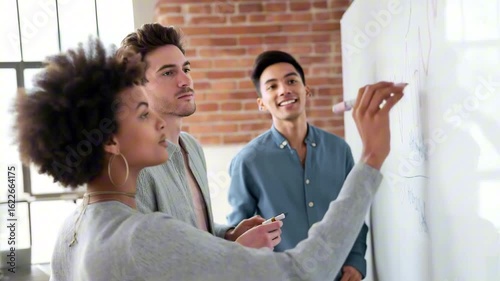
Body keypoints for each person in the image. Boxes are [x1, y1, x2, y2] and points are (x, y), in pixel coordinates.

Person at [14, 37, 406, 281]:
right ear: (111, 141)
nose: (159, 124)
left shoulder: (70, 232)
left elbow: (186, 249)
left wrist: (226, 241)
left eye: (185, 68)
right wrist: (372, 157)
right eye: (143, 113)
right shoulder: (143, 234)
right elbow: (301, 272)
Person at [118, 23, 270, 247]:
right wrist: (234, 253)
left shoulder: (192, 147)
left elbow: (193, 229)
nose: (185, 81)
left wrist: (228, 235)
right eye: (169, 73)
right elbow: (148, 257)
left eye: (186, 69)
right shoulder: (134, 163)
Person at [227, 50, 367, 280]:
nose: (284, 90)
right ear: (262, 103)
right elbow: (238, 234)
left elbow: (355, 214)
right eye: (272, 86)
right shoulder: (248, 161)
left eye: (291, 81)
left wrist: (355, 262)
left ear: (306, 90)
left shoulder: (339, 150)